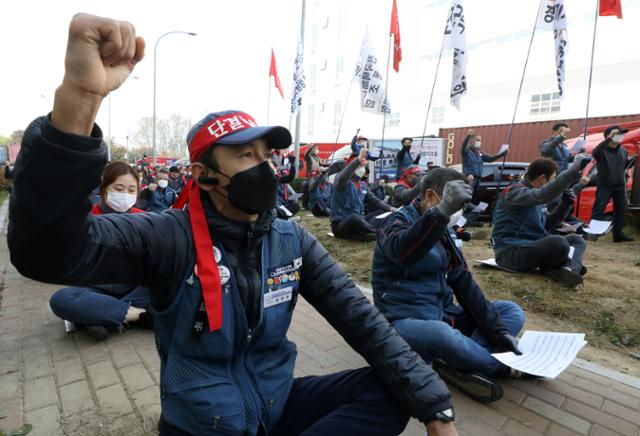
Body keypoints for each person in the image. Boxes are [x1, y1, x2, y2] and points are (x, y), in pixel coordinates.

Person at [9, 14, 460, 436]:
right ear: (203, 176)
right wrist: (80, 99)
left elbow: (366, 324)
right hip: (203, 424)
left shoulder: (293, 241)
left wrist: (435, 405)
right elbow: (45, 252)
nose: (262, 167)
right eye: (245, 156)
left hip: (276, 405)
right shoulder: (167, 235)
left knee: (392, 388)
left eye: (266, 155)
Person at [373, 168, 525, 404]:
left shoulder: (443, 232)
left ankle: (461, 362)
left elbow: (464, 283)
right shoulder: (394, 222)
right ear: (432, 197)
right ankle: (499, 364)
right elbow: (402, 251)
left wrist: (499, 331)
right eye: (455, 204)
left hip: (445, 314)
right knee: (442, 335)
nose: (458, 213)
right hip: (403, 321)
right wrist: (442, 213)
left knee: (510, 311)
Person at [49, 162, 152, 341]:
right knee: (62, 298)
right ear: (104, 190)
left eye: (131, 190)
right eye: (118, 188)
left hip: (135, 287)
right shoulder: (86, 219)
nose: (125, 195)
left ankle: (99, 316)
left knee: (166, 287)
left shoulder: (144, 219)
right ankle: (140, 317)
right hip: (96, 287)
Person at [492, 157, 590, 287]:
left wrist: (565, 205)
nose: (554, 182)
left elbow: (547, 225)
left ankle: (568, 269)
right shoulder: (515, 192)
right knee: (558, 242)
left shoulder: (536, 198)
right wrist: (571, 172)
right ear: (542, 179)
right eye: (553, 179)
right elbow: (543, 195)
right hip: (510, 254)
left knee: (577, 241)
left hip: (531, 248)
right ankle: (560, 266)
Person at [330, 148, 395, 241]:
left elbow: (375, 200)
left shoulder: (362, 185)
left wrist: (390, 208)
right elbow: (343, 177)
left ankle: (367, 233)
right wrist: (358, 159)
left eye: (365, 163)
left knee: (381, 213)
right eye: (361, 163)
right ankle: (378, 233)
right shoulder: (341, 180)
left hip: (361, 220)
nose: (363, 166)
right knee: (354, 218)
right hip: (341, 225)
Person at [591, 125, 634, 242]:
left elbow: (624, 166)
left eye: (620, 134)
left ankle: (618, 234)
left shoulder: (623, 150)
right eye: (616, 134)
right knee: (599, 209)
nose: (619, 136)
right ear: (607, 137)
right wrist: (609, 139)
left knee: (620, 210)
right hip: (605, 185)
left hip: (620, 186)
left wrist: (633, 161)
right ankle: (593, 233)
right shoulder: (601, 151)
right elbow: (595, 153)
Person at [460, 130, 508, 225]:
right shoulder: (466, 151)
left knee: (475, 201)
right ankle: (462, 221)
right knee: (467, 201)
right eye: (478, 140)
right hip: (470, 178)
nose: (479, 142)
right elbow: (462, 147)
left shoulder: (479, 153)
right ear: (472, 141)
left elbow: (490, 159)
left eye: (480, 140)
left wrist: (502, 154)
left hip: (478, 179)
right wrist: (467, 137)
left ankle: (469, 221)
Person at [273, 156, 301, 220]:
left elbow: (290, 178)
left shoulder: (278, 178)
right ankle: (282, 218)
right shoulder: (269, 179)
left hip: (282, 204)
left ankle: (284, 218)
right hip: (274, 206)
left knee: (295, 204)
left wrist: (292, 165)